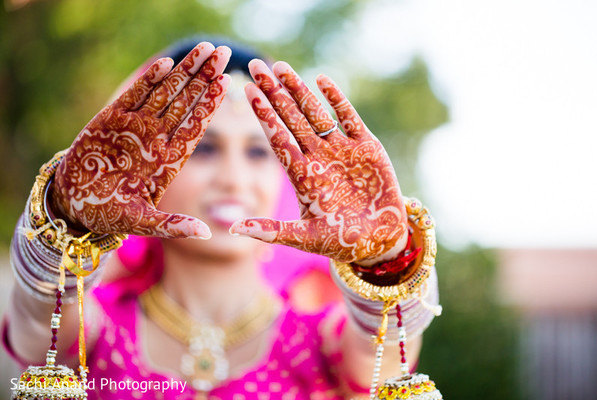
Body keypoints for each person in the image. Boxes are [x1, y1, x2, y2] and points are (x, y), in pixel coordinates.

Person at [4, 38, 439, 399]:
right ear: (142, 169)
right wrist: (63, 217)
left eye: (257, 152)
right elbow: (36, 311)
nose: (234, 180)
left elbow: (385, 344)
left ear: (286, 178)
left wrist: (387, 255)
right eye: (204, 149)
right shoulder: (93, 336)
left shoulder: (321, 345)